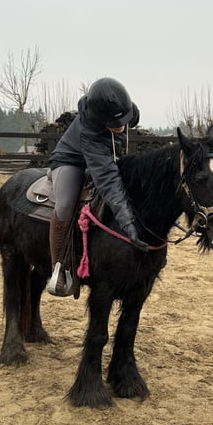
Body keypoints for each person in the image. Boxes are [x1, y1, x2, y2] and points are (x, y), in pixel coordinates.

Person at [47, 77, 150, 296]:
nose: (122, 127)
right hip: (71, 160)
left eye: (125, 120)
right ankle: (59, 268)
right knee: (65, 205)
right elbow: (107, 179)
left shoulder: (123, 110)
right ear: (101, 119)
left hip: (105, 158)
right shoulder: (90, 131)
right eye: (115, 125)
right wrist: (127, 222)